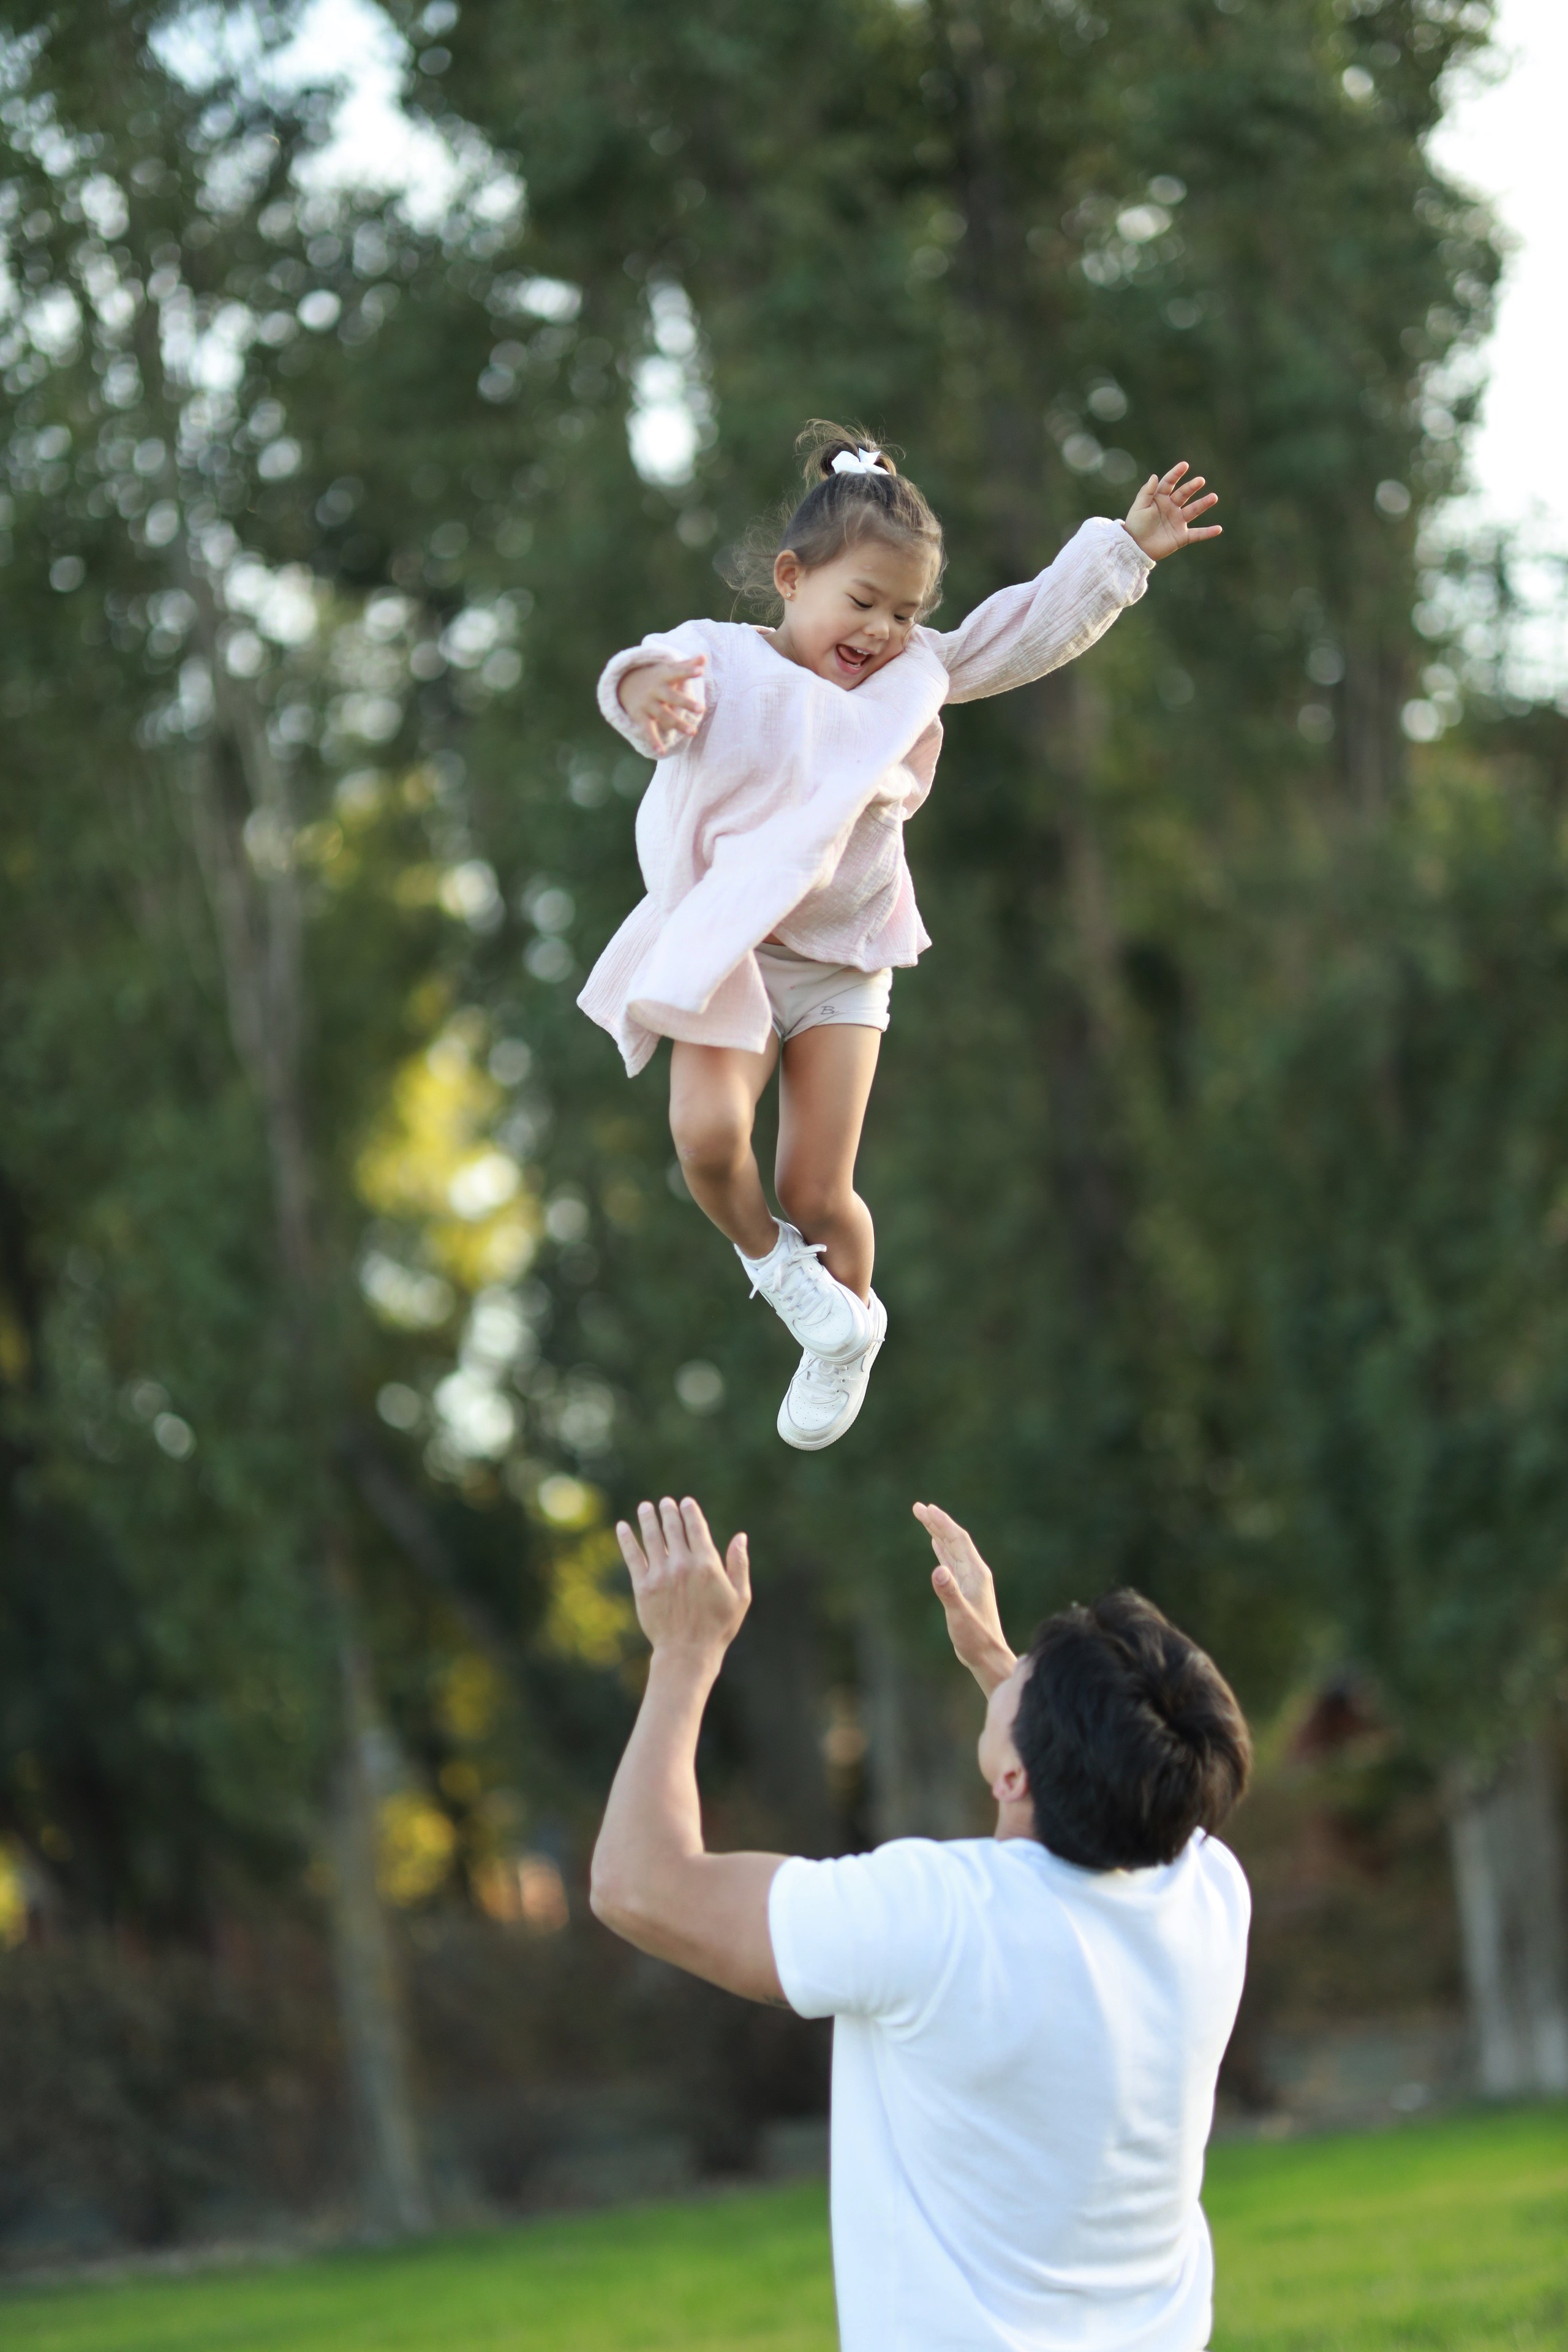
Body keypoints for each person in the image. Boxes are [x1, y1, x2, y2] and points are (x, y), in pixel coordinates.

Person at [579, 425, 1221, 1451]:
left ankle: (849, 1337)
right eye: (864, 602)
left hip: (845, 962)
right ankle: (780, 1276)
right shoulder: (723, 657)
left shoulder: (913, 673)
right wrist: (641, 693)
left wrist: (1125, 548)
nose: (882, 631)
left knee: (815, 1191)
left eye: (906, 612)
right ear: (791, 579)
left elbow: (1025, 628)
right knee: (705, 1139)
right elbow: (649, 676)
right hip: (732, 949)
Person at [590, 1492, 1252, 2352]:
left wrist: (685, 1654)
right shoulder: (1208, 1890)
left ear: (1015, 1777)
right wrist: (1002, 1671)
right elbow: (1112, 1789)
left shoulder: (938, 1917)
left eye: (1026, 1680)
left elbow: (639, 1885)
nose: (1015, 1666)